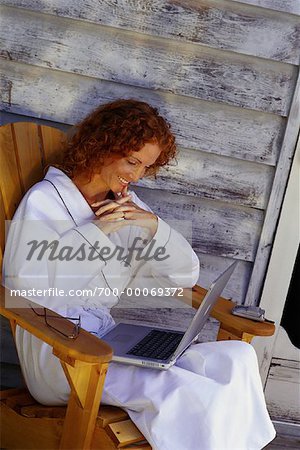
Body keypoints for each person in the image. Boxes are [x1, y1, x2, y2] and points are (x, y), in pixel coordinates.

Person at [3, 99, 276, 449]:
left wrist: (153, 226)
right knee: (181, 391)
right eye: (131, 161)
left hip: (106, 339)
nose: (136, 176)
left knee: (235, 358)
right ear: (100, 147)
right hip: (64, 355)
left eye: (145, 166)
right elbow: (25, 284)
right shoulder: (44, 202)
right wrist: (98, 231)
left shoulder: (122, 207)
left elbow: (184, 274)